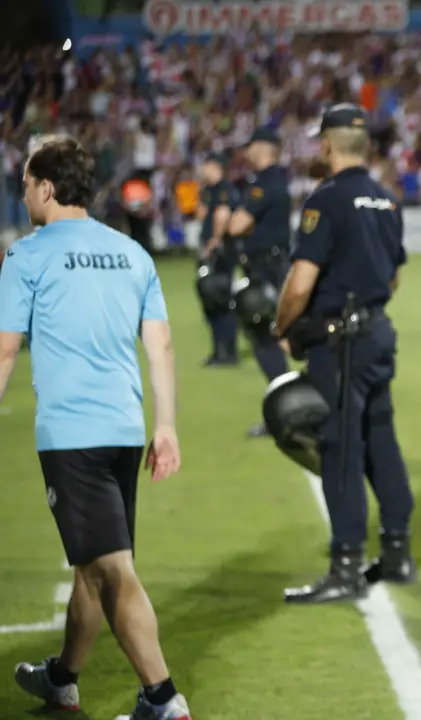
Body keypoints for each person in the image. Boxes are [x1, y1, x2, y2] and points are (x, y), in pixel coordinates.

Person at [0, 136, 191, 720]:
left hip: (72, 435)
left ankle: (163, 699)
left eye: (26, 184)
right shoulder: (131, 253)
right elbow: (159, 343)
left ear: (46, 187)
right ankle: (62, 679)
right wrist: (166, 425)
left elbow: (4, 350)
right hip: (124, 430)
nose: (23, 194)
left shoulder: (26, 255)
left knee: (110, 569)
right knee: (94, 563)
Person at [272, 104, 415, 603]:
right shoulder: (386, 199)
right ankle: (397, 553)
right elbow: (393, 277)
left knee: (341, 449)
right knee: (381, 440)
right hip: (376, 333)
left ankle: (347, 565)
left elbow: (300, 283)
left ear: (326, 143)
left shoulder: (327, 199)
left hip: (340, 345)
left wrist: (282, 325)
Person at [227, 126, 292, 436]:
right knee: (274, 338)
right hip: (271, 266)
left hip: (267, 269)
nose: (247, 152)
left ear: (263, 147)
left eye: (251, 145)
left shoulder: (265, 183)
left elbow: (236, 225)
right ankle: (290, 407)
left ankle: (285, 410)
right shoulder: (274, 180)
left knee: (267, 339)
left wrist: (244, 224)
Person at [196, 152, 240, 366]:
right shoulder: (209, 190)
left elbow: (222, 215)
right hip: (212, 252)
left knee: (220, 300)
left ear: (213, 166)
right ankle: (219, 350)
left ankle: (227, 352)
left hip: (219, 253)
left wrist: (213, 242)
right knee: (211, 301)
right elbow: (201, 213)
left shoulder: (224, 189)